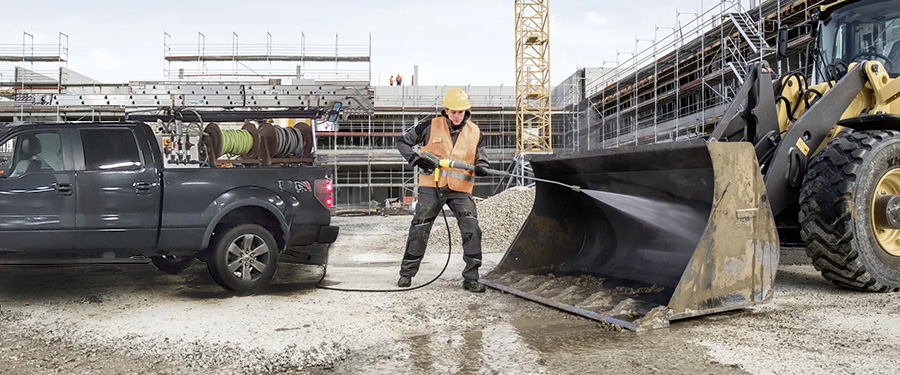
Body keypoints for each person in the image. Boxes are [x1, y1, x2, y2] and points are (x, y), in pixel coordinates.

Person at [396, 88, 490, 293]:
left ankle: (471, 278)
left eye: (461, 111)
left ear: (467, 111)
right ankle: (406, 274)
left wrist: (482, 165)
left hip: (461, 190)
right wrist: (415, 159)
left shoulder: (475, 132)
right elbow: (402, 141)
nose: (457, 115)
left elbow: (480, 155)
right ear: (445, 110)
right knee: (419, 228)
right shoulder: (429, 126)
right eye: (453, 111)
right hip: (432, 187)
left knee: (472, 230)